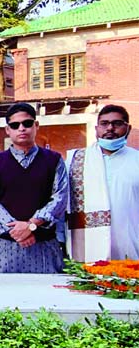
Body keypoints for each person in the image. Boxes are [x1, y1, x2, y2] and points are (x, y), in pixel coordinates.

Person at [0, 103, 67, 273]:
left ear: (36, 126)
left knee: (47, 296)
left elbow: (60, 197)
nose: (21, 128)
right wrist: (17, 232)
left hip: (43, 244)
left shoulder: (54, 160)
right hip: (4, 247)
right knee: (3, 296)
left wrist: (31, 225)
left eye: (27, 123)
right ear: (8, 130)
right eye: (15, 125)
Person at [67, 104, 139, 261]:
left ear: (128, 128)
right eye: (104, 124)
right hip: (87, 247)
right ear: (96, 128)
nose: (110, 128)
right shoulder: (76, 160)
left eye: (117, 123)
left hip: (131, 245)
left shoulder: (136, 160)